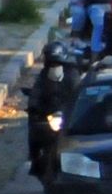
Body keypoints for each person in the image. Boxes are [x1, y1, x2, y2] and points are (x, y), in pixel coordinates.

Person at [27, 41, 80, 176]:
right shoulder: (43, 77)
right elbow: (36, 93)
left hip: (67, 115)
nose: (54, 66)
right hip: (48, 114)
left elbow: (78, 93)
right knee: (34, 129)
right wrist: (33, 107)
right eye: (51, 63)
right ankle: (34, 159)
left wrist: (76, 108)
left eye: (57, 63)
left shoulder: (72, 74)